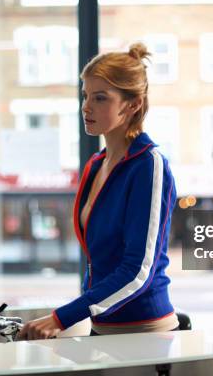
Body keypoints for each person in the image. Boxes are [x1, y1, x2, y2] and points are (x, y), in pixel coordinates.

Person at [18, 42, 178, 340]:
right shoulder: (95, 165)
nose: (86, 106)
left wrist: (61, 318)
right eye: (86, 96)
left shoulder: (148, 165)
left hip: (145, 332)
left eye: (100, 98)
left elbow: (137, 271)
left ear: (133, 105)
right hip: (102, 328)